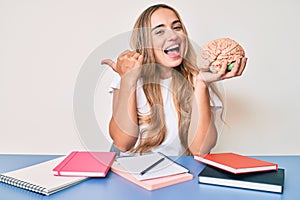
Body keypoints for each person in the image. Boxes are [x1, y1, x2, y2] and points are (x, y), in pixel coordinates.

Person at [101, 4, 247, 156]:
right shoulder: (129, 76)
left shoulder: (197, 79)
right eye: (159, 31)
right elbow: (122, 143)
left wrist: (202, 84)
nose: (173, 36)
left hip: (179, 172)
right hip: (131, 172)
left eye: (177, 28)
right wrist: (128, 80)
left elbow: (201, 150)